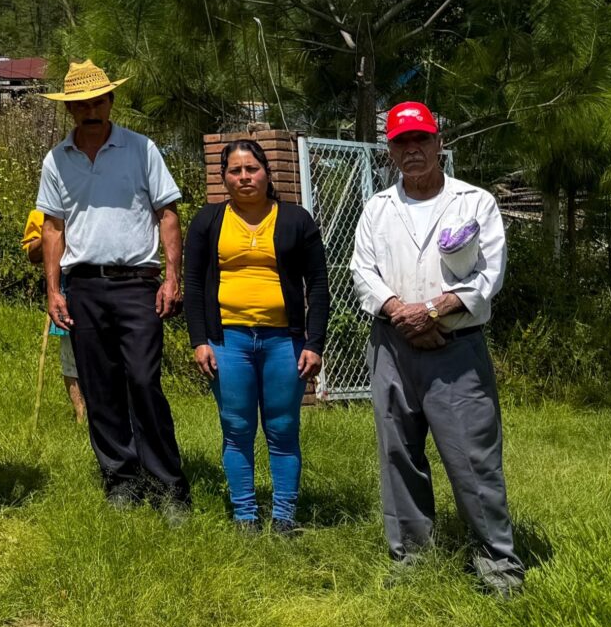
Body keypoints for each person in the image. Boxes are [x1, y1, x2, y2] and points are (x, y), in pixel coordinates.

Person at [350, 102, 522, 594]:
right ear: (390, 151)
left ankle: (499, 567)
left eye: (421, 139)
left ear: (439, 142)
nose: (413, 151)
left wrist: (430, 312)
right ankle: (411, 559)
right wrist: (399, 312)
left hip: (456, 347)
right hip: (392, 345)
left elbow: (489, 275)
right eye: (402, 143)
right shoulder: (378, 208)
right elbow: (363, 272)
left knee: (473, 459)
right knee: (398, 455)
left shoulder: (475, 202)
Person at [38, 60, 190, 514]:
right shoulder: (56, 159)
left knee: (144, 382)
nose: (90, 111)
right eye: (81, 104)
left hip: (137, 285)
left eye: (98, 101)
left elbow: (168, 214)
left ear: (111, 101)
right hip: (83, 286)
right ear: (70, 110)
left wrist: (172, 277)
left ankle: (168, 486)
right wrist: (52, 289)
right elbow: (52, 227)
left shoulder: (141, 149)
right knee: (99, 386)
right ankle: (121, 481)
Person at [183, 140, 330, 532]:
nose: (244, 177)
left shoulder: (296, 219)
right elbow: (193, 284)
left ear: (267, 173)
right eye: (235, 170)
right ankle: (245, 516)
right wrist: (199, 340)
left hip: (285, 342)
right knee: (236, 428)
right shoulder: (208, 221)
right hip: (228, 342)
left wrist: (314, 343)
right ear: (223, 177)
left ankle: (284, 517)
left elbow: (317, 284)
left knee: (282, 428)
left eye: (252, 169)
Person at [24, 209, 86, 422]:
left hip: (90, 286)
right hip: (61, 290)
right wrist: (52, 231)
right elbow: (32, 254)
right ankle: (80, 415)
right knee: (69, 356)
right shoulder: (38, 215)